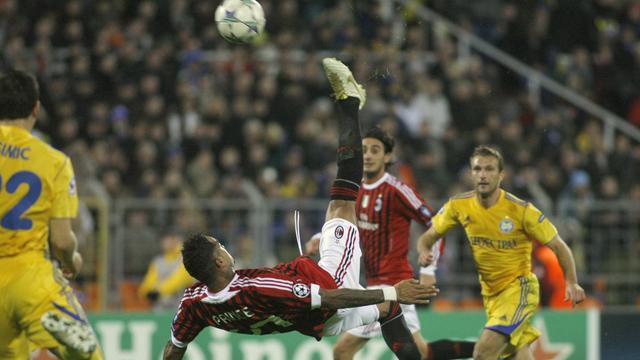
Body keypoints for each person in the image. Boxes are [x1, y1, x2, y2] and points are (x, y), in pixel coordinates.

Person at [162, 58, 439, 360]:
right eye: (221, 247)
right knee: (342, 203)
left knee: (385, 312)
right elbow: (331, 296)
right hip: (330, 291)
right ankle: (349, 102)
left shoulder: (194, 303)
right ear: (218, 263)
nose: (226, 249)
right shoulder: (257, 287)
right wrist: (392, 290)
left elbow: (174, 349)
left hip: (310, 320)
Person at [306, 127, 474, 360]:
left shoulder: (397, 190)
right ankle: (488, 351)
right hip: (373, 285)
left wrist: (428, 267)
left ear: (387, 157)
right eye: (364, 150)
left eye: (375, 150)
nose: (368, 155)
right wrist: (318, 239)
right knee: (422, 352)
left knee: (342, 350)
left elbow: (436, 224)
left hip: (394, 285)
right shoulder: (356, 190)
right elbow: (341, 223)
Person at [417, 145, 586, 360]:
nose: (483, 175)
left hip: (520, 289)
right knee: (518, 355)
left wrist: (571, 281)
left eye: (489, 169)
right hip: (491, 295)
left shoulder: (521, 210)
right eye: (478, 169)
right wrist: (425, 259)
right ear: (471, 174)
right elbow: (427, 238)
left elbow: (559, 246)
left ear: (501, 175)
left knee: (483, 352)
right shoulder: (458, 205)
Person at [0, 70, 102, 359]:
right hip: (30, 278)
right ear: (36, 108)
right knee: (88, 356)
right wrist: (72, 260)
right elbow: (62, 241)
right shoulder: (53, 161)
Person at [138, 231, 195, 311]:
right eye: (165, 239)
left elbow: (178, 281)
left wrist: (158, 291)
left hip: (184, 308)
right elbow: (148, 283)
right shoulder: (158, 261)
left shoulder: (187, 259)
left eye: (171, 238)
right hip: (160, 308)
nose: (167, 242)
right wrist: (147, 291)